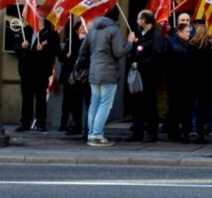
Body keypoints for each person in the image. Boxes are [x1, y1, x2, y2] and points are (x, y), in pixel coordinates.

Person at [77, 10, 135, 146]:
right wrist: (130, 42)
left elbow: (82, 51)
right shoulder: (114, 29)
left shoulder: (93, 29)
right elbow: (119, 52)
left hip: (94, 71)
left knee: (94, 104)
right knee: (105, 104)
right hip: (108, 72)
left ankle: (92, 134)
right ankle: (97, 136)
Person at [16, 18, 60, 132]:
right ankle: (25, 123)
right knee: (27, 98)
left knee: (40, 98)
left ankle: (40, 123)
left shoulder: (51, 34)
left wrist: (43, 50)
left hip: (41, 71)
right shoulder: (25, 30)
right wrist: (21, 46)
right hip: (26, 71)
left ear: (42, 20)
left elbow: (55, 51)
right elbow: (15, 47)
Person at [127, 10, 164, 142]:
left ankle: (152, 133)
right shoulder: (139, 33)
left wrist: (141, 64)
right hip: (137, 75)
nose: (137, 21)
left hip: (149, 75)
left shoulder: (156, 35)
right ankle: (137, 132)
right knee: (137, 104)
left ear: (145, 20)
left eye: (139, 19)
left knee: (149, 104)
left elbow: (157, 55)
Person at [187, 21, 212, 144]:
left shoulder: (191, 45)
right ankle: (201, 133)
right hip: (207, 81)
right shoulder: (211, 46)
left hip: (193, 80)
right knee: (203, 108)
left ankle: (190, 131)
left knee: (192, 107)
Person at [58, 21, 86, 135]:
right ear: (76, 30)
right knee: (68, 101)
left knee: (79, 102)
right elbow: (61, 58)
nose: (83, 28)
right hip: (70, 76)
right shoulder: (70, 41)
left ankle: (77, 125)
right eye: (81, 27)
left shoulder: (87, 40)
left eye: (84, 26)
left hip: (81, 76)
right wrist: (66, 56)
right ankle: (65, 124)